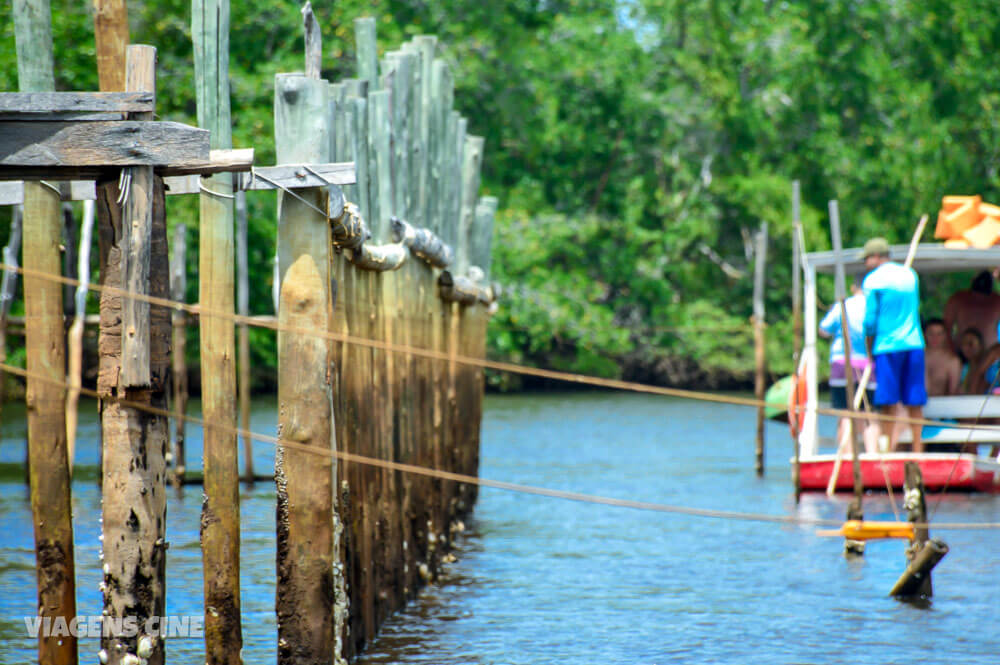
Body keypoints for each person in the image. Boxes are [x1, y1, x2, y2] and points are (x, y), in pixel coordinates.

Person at [861, 237, 926, 452]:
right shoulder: (910, 275)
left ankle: (888, 449)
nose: (865, 264)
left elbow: (870, 321)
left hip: (887, 346)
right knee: (914, 401)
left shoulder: (872, 280)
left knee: (888, 402)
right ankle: (918, 448)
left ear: (876, 257)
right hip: (914, 343)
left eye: (866, 259)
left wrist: (869, 349)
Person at [818, 277, 878, 452]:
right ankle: (872, 454)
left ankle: (847, 455)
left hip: (842, 362)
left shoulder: (842, 305)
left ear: (853, 287)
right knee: (868, 414)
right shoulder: (874, 306)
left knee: (844, 412)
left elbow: (823, 330)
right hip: (867, 363)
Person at [943, 270, 1000, 348]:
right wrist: (950, 349)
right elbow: (946, 327)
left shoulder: (997, 301)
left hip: (989, 351)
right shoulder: (958, 299)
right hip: (961, 349)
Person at [923, 318, 961, 397]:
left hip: (940, 404)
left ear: (945, 336)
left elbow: (953, 392)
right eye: (931, 333)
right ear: (924, 334)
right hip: (914, 405)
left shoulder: (952, 361)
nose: (935, 337)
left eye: (939, 334)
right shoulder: (915, 358)